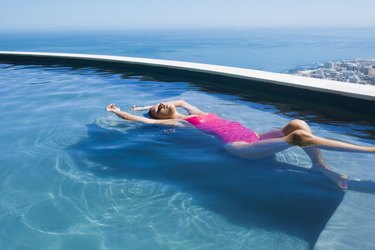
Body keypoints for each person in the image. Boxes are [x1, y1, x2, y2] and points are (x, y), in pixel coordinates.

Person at [106, 100, 375, 189]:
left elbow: (178, 99)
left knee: (297, 124)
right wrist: (120, 111)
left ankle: (320, 166)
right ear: (160, 116)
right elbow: (142, 122)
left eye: (161, 104)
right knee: (296, 138)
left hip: (255, 138)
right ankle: (369, 150)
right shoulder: (180, 123)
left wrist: (144, 105)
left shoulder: (193, 111)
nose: (162, 105)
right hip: (238, 147)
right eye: (157, 108)